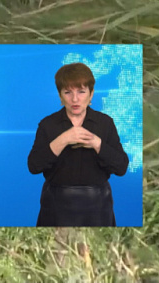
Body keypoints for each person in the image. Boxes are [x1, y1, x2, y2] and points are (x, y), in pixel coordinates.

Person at [27, 62, 129, 227]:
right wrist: (63, 139)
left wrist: (97, 144)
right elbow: (33, 166)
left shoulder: (105, 123)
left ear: (91, 94)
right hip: (56, 205)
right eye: (68, 92)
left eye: (81, 92)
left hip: (98, 204)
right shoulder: (48, 124)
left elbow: (121, 167)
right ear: (60, 96)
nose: (75, 99)